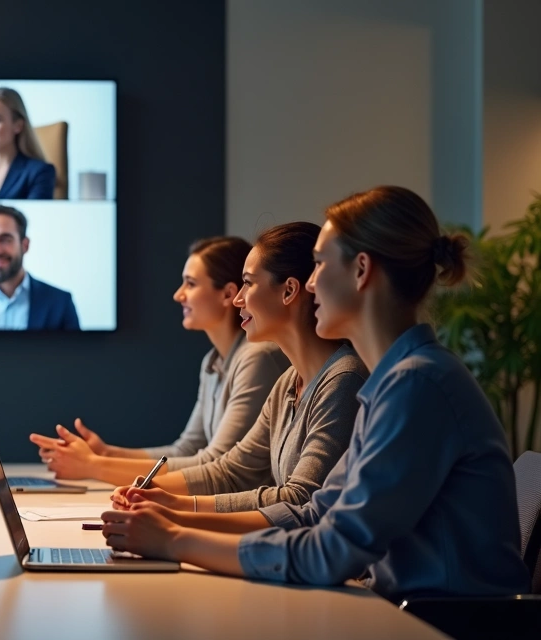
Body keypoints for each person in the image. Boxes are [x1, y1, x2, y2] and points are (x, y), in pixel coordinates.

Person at [101, 186, 530, 602]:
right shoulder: (392, 380)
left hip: (441, 626)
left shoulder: (415, 384)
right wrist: (172, 519)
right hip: (404, 612)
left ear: (362, 271)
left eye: (321, 264)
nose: (309, 285)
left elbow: (332, 551)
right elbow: (315, 513)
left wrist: (175, 540)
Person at [98, 223, 365, 512]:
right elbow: (231, 469)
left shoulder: (344, 379)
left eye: (248, 283)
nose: (239, 298)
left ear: (288, 290)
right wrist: (151, 491)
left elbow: (301, 499)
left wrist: (180, 515)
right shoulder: (288, 382)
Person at [30, 236, 288, 475]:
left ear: (228, 294)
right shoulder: (213, 362)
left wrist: (96, 466)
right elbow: (186, 449)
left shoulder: (257, 357)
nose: (179, 295)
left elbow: (214, 461)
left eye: (191, 283)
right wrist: (105, 453)